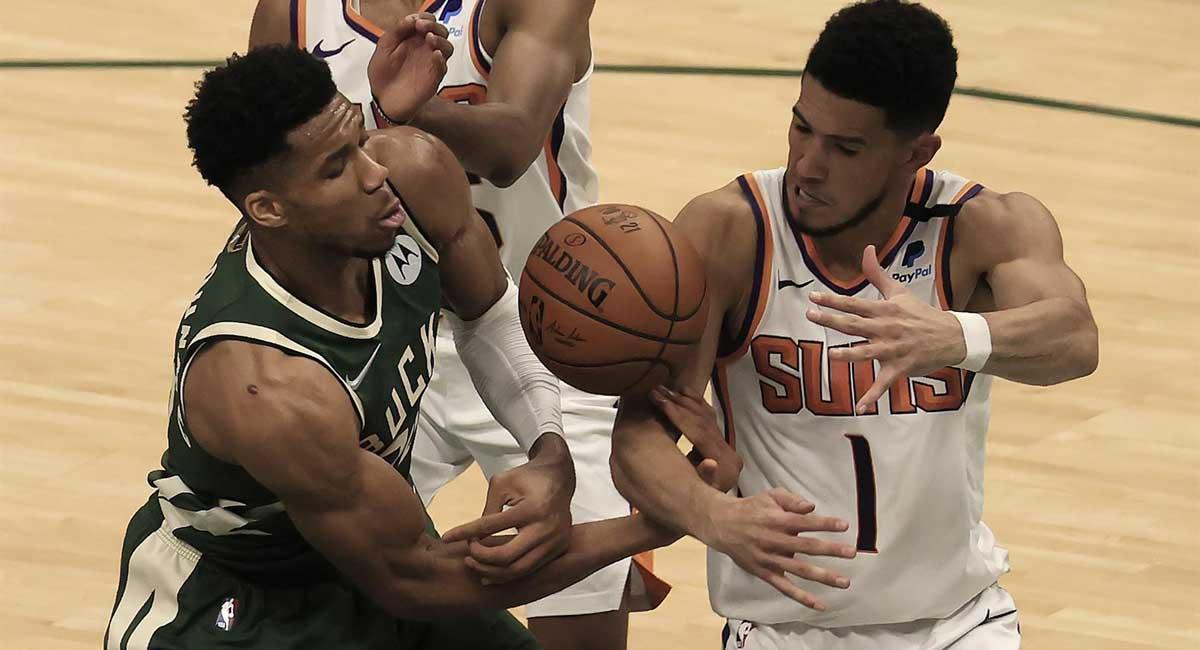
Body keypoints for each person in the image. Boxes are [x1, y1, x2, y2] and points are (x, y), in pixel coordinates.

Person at [103, 32, 695, 649]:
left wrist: (548, 452)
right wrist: (653, 525)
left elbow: (490, 315)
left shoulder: (411, 173)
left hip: (362, 552)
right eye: (337, 168)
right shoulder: (267, 387)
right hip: (236, 608)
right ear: (269, 209)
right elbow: (422, 582)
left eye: (358, 141)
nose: (375, 173)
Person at [610, 1, 1100, 648]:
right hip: (785, 630)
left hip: (956, 626)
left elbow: (1075, 338)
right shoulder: (730, 232)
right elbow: (637, 438)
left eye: (845, 148)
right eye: (801, 127)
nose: (808, 164)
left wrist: (956, 337)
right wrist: (717, 517)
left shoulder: (979, 227)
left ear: (916, 152)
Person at [248, 2, 661, 648]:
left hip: (542, 324)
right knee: (315, 582)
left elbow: (511, 145)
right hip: (379, 332)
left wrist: (416, 110)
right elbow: (260, 174)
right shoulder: (291, 13)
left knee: (579, 623)